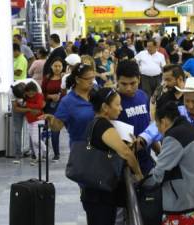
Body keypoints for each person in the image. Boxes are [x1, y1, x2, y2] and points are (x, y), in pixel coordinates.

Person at [144, 101, 194, 225]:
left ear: (164, 121)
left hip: (187, 204)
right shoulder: (188, 127)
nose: (159, 131)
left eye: (157, 125)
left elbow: (159, 173)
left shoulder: (174, 136)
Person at [81, 87, 143, 225]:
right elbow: (125, 153)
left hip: (95, 192)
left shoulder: (94, 123)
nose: (121, 108)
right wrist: (138, 174)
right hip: (100, 195)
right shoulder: (103, 125)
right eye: (117, 104)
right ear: (105, 107)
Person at [42, 63, 95, 147]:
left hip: (100, 148)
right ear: (77, 79)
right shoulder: (67, 101)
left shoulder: (96, 93)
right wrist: (51, 120)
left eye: (93, 78)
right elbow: (57, 127)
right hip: (80, 148)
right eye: (88, 79)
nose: (92, 81)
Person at [115, 60, 153, 174]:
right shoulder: (112, 102)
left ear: (139, 79)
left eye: (133, 83)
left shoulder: (143, 96)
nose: (128, 88)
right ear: (117, 80)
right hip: (123, 164)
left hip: (146, 159)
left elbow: (148, 126)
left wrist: (159, 152)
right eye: (124, 84)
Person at [9, 78, 42, 163]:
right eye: (20, 97)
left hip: (33, 107)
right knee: (17, 131)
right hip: (26, 109)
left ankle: (34, 154)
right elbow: (15, 108)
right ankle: (18, 155)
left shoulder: (34, 84)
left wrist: (35, 109)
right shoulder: (11, 91)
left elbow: (40, 101)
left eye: (25, 95)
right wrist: (29, 110)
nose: (24, 97)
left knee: (33, 131)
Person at [42, 57, 65, 161]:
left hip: (61, 107)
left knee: (56, 130)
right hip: (48, 107)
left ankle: (56, 153)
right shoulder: (47, 78)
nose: (57, 68)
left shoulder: (64, 78)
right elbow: (42, 92)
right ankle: (44, 151)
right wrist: (50, 96)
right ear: (51, 67)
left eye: (59, 66)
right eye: (55, 66)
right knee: (46, 130)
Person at [23, 82, 46, 165]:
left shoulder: (39, 95)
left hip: (39, 119)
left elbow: (39, 105)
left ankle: (46, 150)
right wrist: (31, 107)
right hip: (29, 121)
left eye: (32, 91)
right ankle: (38, 157)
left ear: (35, 90)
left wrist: (27, 105)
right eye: (28, 91)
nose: (30, 93)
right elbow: (23, 106)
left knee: (36, 139)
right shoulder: (24, 97)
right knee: (33, 140)